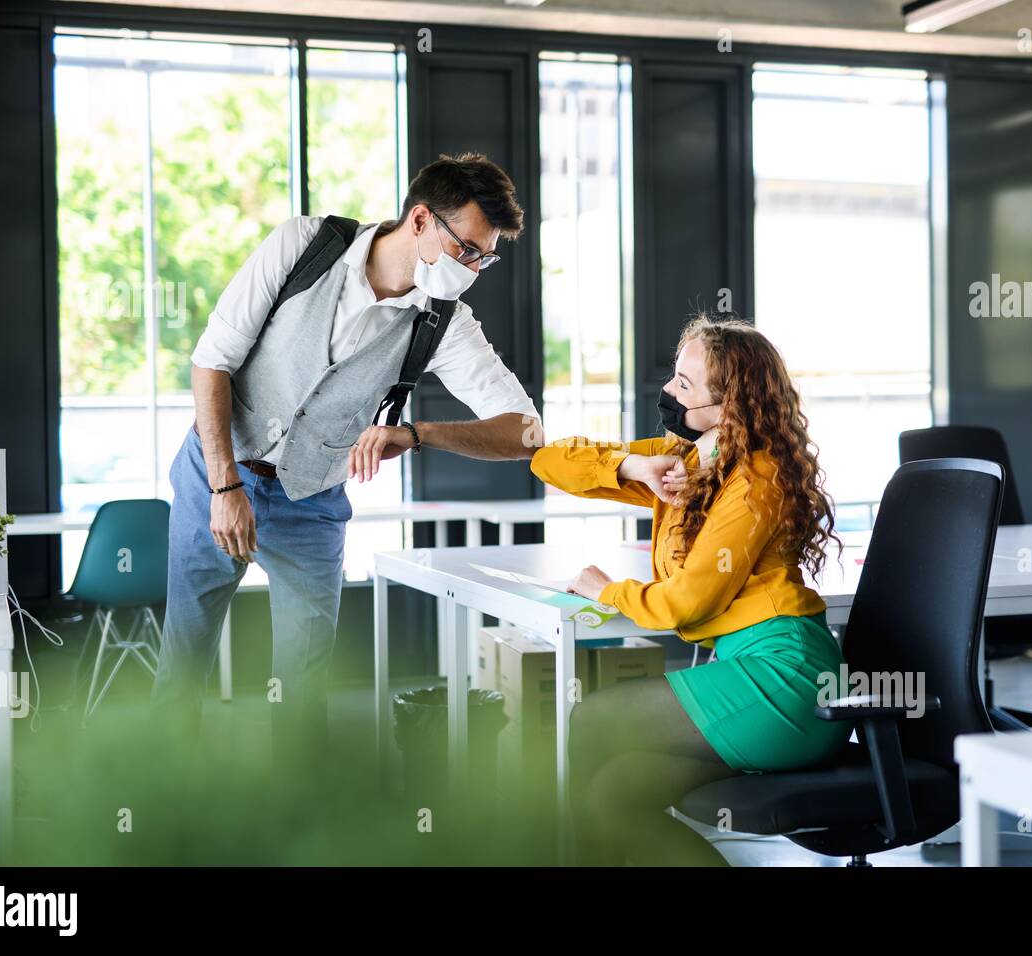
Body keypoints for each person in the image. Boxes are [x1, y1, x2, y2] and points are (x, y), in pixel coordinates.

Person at [152, 153, 543, 770]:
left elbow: (526, 433)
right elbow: (211, 362)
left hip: (312, 505)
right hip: (218, 473)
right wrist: (225, 485)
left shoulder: (446, 323)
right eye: (468, 249)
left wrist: (417, 434)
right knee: (185, 660)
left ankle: (296, 836)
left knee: (303, 695)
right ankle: (157, 826)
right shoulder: (303, 245)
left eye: (485, 258)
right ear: (420, 219)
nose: (474, 269)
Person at [529, 314, 845, 865]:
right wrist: (630, 466)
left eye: (684, 384)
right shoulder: (684, 460)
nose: (668, 391)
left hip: (787, 681)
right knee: (616, 794)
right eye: (675, 376)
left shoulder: (757, 478)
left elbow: (689, 601)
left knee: (595, 719)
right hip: (751, 673)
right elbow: (550, 460)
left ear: (729, 408)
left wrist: (608, 591)